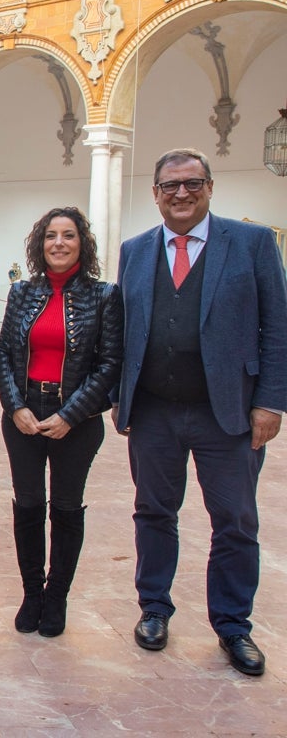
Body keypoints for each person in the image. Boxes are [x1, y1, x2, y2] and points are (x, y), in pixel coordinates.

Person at [114, 148, 287, 676]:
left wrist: (271, 401)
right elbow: (126, 327)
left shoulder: (252, 243)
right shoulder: (135, 250)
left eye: (192, 184)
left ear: (210, 187)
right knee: (153, 513)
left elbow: (277, 327)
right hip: (155, 411)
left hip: (228, 413)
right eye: (170, 186)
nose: (182, 194)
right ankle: (154, 609)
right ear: (156, 194)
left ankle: (233, 626)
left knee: (235, 522)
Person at [0, 208, 122, 637]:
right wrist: (16, 407)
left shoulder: (104, 296)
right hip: (25, 415)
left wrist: (70, 414)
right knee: (28, 506)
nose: (59, 243)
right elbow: (5, 356)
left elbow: (109, 364)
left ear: (82, 243)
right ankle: (32, 594)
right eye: (51, 236)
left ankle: (57, 598)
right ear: (40, 244)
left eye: (69, 235)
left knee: (66, 509)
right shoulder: (22, 293)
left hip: (77, 421)